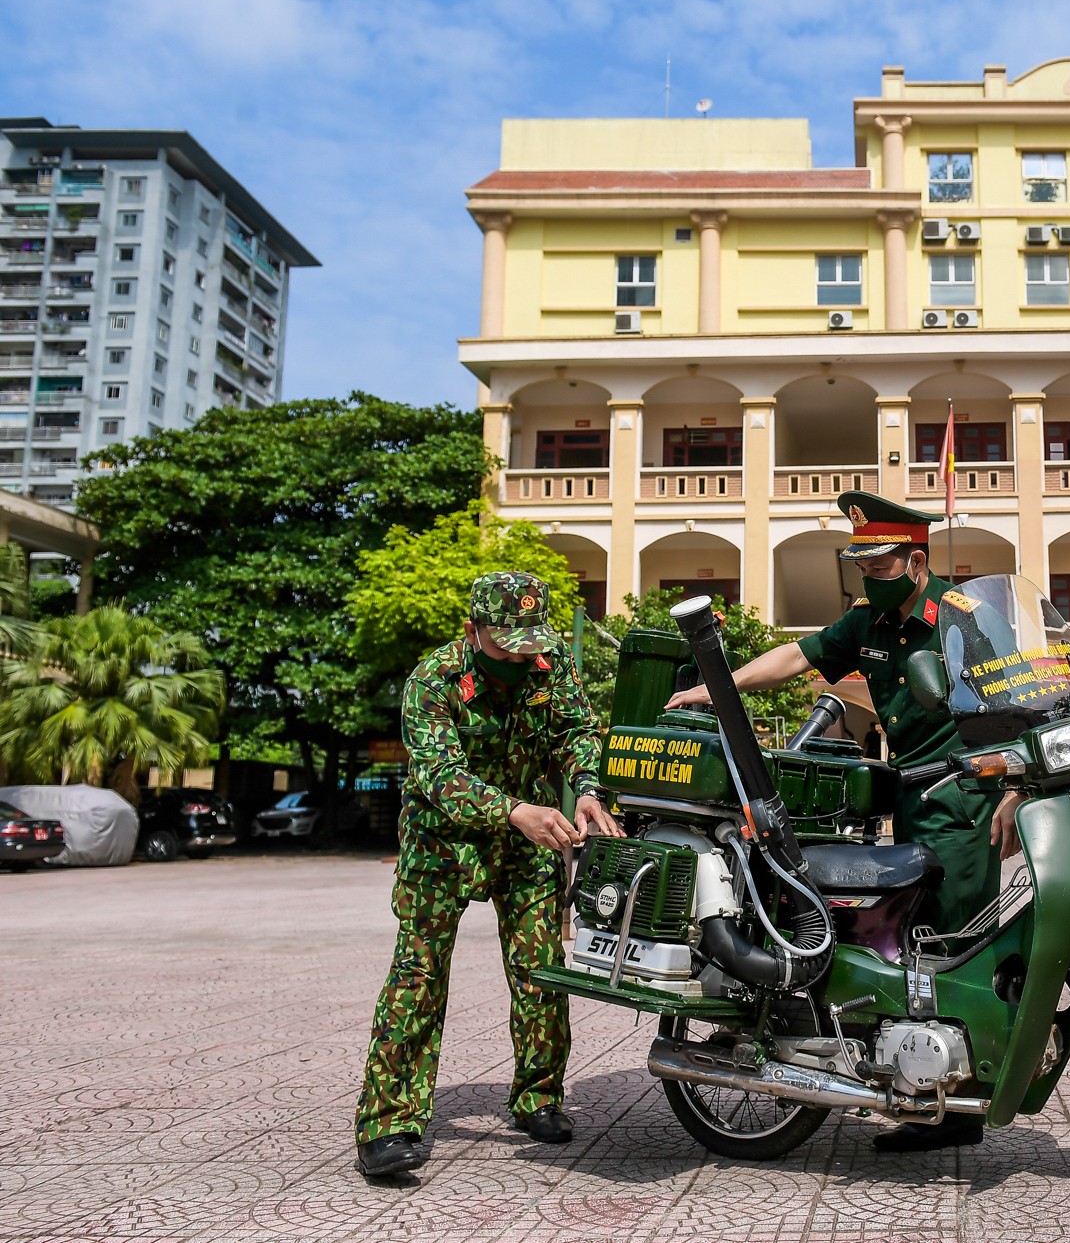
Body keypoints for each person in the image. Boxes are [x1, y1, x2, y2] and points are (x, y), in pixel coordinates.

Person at [665, 491, 1018, 1152]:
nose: (868, 579)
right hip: (911, 798)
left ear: (916, 562)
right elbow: (797, 655)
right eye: (862, 567)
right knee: (914, 942)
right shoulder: (868, 624)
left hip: (968, 799)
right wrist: (722, 685)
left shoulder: (966, 619)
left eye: (880, 567)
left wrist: (1015, 789)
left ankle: (963, 1109)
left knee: (958, 943)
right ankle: (928, 1088)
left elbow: (1013, 697)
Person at [354, 571, 623, 1177]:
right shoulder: (434, 680)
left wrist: (584, 787)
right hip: (442, 841)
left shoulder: (550, 664)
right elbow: (439, 776)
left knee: (540, 971)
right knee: (418, 973)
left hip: (530, 839)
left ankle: (539, 1096)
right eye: (507, 644)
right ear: (472, 631)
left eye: (531, 641)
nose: (523, 655)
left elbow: (578, 733)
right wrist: (511, 810)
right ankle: (389, 1122)